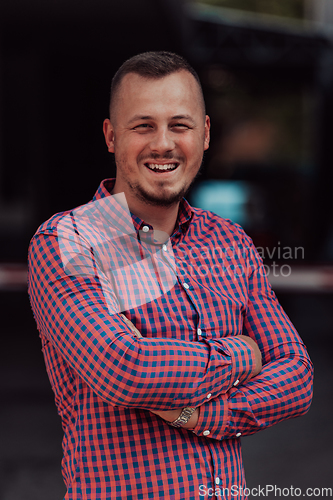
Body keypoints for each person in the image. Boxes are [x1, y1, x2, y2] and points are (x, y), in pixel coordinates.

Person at [28, 51, 313, 500]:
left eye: (179, 125)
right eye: (143, 126)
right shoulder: (69, 241)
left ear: (204, 135)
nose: (163, 144)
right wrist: (242, 354)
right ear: (110, 135)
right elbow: (127, 369)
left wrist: (196, 416)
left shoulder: (231, 242)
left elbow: (296, 377)